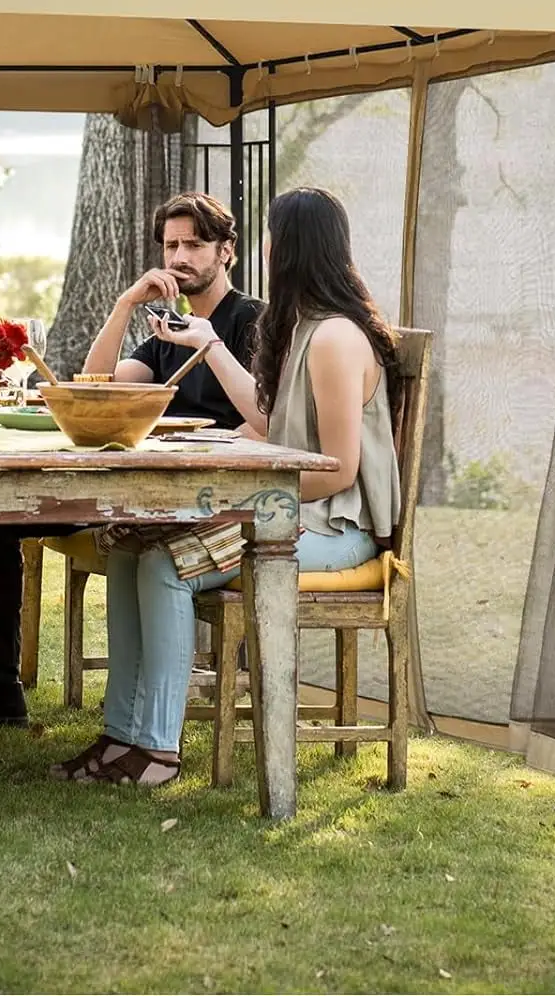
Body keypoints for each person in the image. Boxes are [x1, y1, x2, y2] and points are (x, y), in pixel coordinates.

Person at [51, 185, 402, 785]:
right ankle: (120, 737)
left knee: (165, 562)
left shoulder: (336, 338)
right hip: (288, 515)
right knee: (132, 546)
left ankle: (158, 752)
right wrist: (212, 349)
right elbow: (270, 424)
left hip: (336, 527)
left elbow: (338, 470)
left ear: (285, 248)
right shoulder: (303, 328)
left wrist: (239, 507)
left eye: (270, 237)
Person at [0, 191, 263, 726]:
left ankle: (142, 707)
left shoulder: (247, 321)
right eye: (171, 245)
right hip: (133, 482)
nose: (178, 257)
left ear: (227, 252)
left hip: (200, 496)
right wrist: (125, 304)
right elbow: (93, 385)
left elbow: (263, 417)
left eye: (194, 244)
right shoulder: (168, 326)